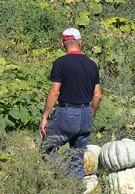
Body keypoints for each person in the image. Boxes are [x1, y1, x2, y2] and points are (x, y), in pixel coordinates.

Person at [39, 28, 102, 178]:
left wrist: (45, 116)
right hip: (86, 113)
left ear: (63, 44)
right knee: (77, 157)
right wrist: (89, 114)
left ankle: (64, 177)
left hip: (67, 113)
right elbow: (98, 95)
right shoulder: (92, 65)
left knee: (47, 149)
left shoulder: (61, 63)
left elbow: (55, 91)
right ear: (80, 42)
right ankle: (75, 188)